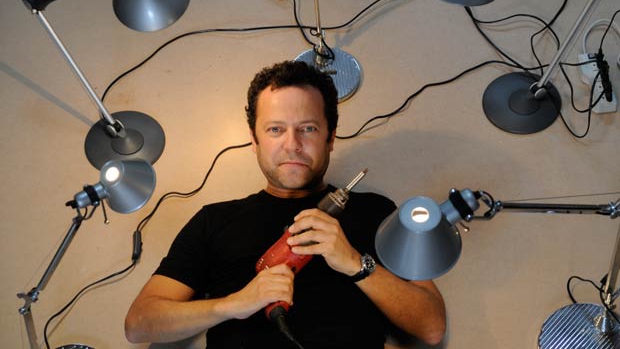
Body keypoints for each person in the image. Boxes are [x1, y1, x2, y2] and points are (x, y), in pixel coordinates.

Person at [124, 60, 446, 348]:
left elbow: (431, 327)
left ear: (330, 138)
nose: (292, 145)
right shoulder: (214, 220)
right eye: (276, 129)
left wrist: (354, 263)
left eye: (308, 128)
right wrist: (233, 304)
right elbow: (139, 324)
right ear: (254, 140)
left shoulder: (375, 212)